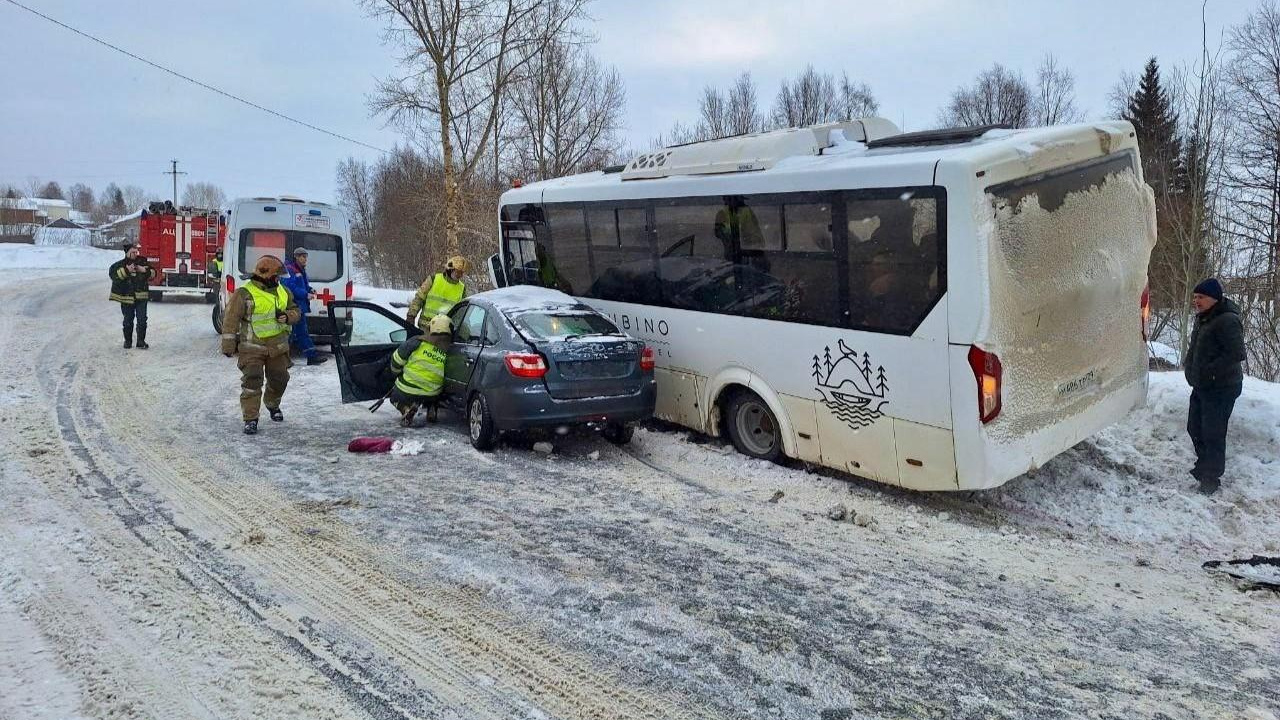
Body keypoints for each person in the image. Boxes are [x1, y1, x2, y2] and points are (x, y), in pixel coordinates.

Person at [220, 255, 302, 435]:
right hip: (252, 348)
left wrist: (288, 316)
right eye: (277, 277)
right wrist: (228, 344)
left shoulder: (283, 291)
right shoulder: (244, 293)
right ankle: (251, 419)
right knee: (252, 380)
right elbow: (230, 319)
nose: (279, 280)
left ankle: (272, 404)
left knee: (280, 379)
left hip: (277, 346)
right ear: (267, 275)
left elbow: (296, 310)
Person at [1183, 277, 1246, 495]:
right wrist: (1189, 367)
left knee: (1213, 433)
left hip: (1222, 387)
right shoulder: (1203, 318)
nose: (1196, 301)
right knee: (1194, 427)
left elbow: (1237, 354)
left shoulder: (1227, 320)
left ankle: (1211, 478)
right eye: (1195, 297)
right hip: (1202, 385)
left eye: (1200, 297)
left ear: (1213, 298)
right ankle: (1204, 465)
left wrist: (1208, 371)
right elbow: (1195, 348)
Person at [388, 314, 452, 427]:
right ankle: (432, 408)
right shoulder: (450, 349)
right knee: (437, 392)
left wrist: (397, 373)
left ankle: (405, 410)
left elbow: (396, 359)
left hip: (408, 389)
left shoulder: (418, 342)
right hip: (434, 392)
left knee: (394, 397)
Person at [281, 247, 327, 366]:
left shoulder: (300, 269)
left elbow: (303, 285)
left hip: (299, 306)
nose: (305, 259)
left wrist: (309, 289)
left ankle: (309, 357)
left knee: (298, 333)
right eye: (303, 257)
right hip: (293, 306)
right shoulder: (290, 270)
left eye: (306, 257)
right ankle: (284, 359)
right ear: (296, 257)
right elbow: (290, 288)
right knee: (294, 334)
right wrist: (305, 294)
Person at [406, 256, 468, 332]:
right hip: (426, 328)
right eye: (458, 272)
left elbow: (462, 312)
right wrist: (411, 316)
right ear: (450, 269)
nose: (460, 275)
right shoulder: (433, 279)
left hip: (446, 332)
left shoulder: (462, 288)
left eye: (462, 272)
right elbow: (419, 299)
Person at [108, 243, 152, 349]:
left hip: (141, 297)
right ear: (127, 253)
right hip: (126, 297)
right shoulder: (119, 265)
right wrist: (127, 271)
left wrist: (144, 270)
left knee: (142, 319)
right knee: (128, 320)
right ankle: (128, 341)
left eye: (136, 252)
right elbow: (114, 276)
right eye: (132, 252)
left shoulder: (143, 261)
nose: (135, 254)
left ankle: (141, 341)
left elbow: (153, 272)